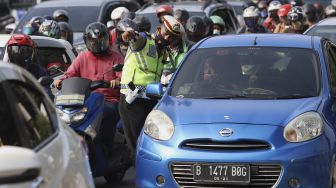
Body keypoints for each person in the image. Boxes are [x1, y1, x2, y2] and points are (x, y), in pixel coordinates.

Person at [54, 22, 123, 149]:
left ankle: (107, 146)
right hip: (85, 97)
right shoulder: (83, 56)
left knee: (110, 111)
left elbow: (122, 75)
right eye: (94, 42)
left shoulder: (116, 57)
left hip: (108, 99)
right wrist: (61, 80)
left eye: (101, 41)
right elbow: (70, 73)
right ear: (87, 41)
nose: (98, 45)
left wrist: (117, 81)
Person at [118, 19, 165, 154]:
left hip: (150, 98)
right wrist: (131, 34)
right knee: (137, 144)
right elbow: (136, 39)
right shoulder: (144, 39)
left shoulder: (161, 49)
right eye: (165, 34)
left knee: (149, 141)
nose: (166, 38)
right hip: (133, 97)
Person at [6, 34, 53, 98]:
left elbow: (47, 95)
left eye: (24, 50)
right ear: (9, 52)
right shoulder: (4, 71)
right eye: (14, 51)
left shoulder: (38, 70)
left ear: (32, 53)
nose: (18, 56)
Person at [158, 15, 189, 85]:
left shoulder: (188, 50)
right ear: (160, 29)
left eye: (171, 36)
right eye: (165, 34)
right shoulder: (155, 47)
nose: (166, 38)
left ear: (179, 37)